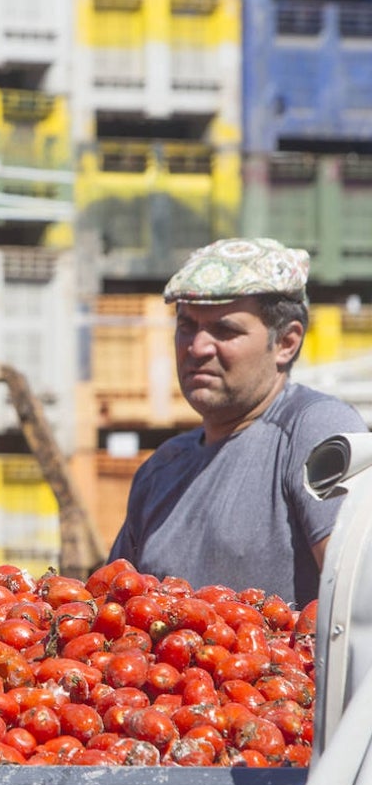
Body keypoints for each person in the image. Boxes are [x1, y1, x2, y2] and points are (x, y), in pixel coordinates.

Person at [108, 237, 367, 605]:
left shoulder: (314, 431)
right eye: (186, 325)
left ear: (286, 343)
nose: (197, 347)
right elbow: (113, 611)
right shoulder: (160, 471)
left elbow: (359, 595)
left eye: (225, 330)